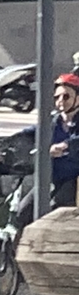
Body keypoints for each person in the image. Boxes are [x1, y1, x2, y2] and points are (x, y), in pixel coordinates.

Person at [54, 75, 79, 209]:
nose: (61, 101)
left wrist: (66, 145)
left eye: (66, 96)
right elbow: (33, 133)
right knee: (23, 209)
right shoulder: (52, 121)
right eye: (57, 97)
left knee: (58, 208)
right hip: (50, 177)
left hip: (74, 179)